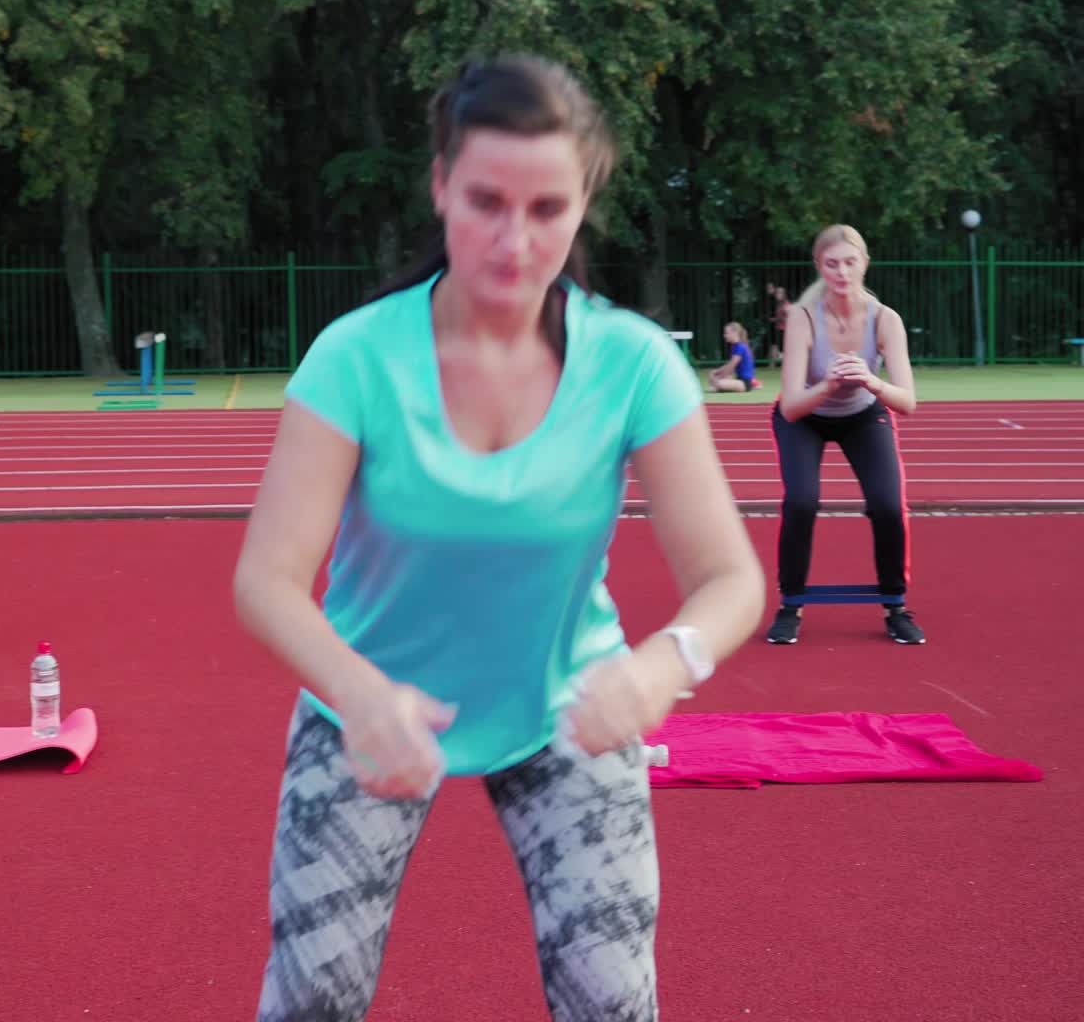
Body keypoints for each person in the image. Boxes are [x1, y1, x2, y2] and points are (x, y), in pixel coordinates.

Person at [234, 55, 764, 1021]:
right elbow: (268, 577)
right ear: (439, 184)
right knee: (312, 998)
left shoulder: (635, 366)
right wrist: (357, 693)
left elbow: (729, 579)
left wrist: (659, 668)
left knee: (613, 1003)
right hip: (372, 705)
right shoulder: (356, 358)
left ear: (584, 204)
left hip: (569, 706)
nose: (515, 242)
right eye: (485, 200)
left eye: (548, 208)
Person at [765, 224, 921, 647]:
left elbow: (906, 401)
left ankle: (895, 604)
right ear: (819, 267)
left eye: (850, 262)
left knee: (888, 505)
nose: (842, 272)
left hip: (863, 413)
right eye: (831, 264)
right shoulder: (803, 318)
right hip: (806, 417)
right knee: (801, 501)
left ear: (865, 264)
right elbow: (791, 405)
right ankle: (790, 603)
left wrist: (871, 381)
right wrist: (830, 385)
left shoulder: (885, 320)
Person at [706, 321, 761, 392]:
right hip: (739, 379)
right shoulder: (734, 346)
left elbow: (731, 367)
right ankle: (753, 383)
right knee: (713, 377)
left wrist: (718, 376)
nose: (724, 335)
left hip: (745, 383)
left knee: (718, 383)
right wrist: (716, 372)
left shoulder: (740, 347)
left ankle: (753, 383)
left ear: (735, 333)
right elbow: (729, 364)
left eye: (726, 333)